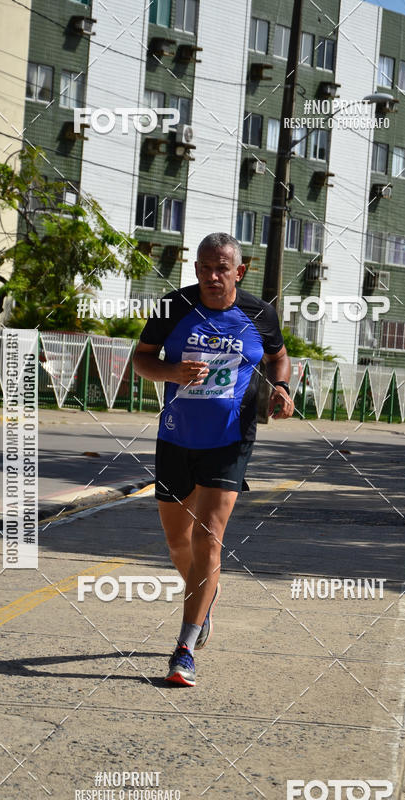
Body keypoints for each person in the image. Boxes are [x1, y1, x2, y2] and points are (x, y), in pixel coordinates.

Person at [132, 232, 294, 686]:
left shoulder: (260, 314)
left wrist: (282, 388)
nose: (211, 276)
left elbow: (279, 357)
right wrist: (172, 371)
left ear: (239, 271)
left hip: (230, 439)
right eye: (204, 267)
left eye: (221, 268)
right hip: (176, 437)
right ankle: (207, 591)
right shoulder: (172, 307)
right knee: (177, 543)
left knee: (208, 539)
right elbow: (141, 359)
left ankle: (185, 647)